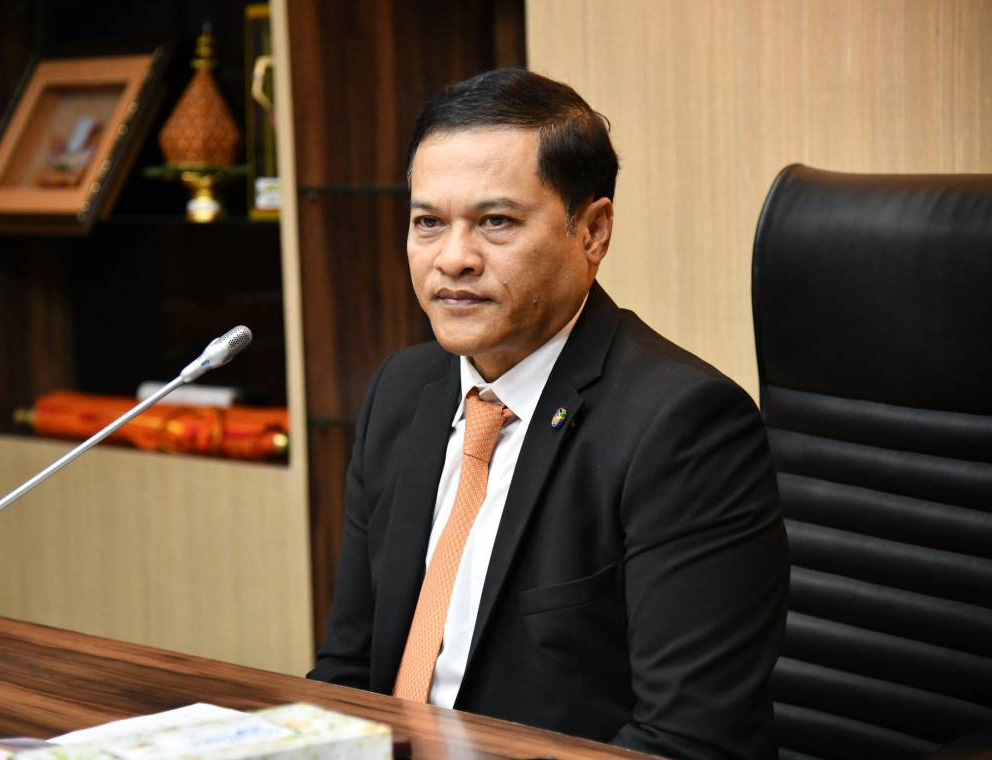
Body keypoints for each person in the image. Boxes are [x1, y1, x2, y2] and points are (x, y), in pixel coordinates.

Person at [307, 67, 789, 760]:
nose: (453, 259)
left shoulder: (682, 426)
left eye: (495, 222)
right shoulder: (401, 391)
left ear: (593, 232)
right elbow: (349, 671)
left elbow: (688, 741)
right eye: (428, 223)